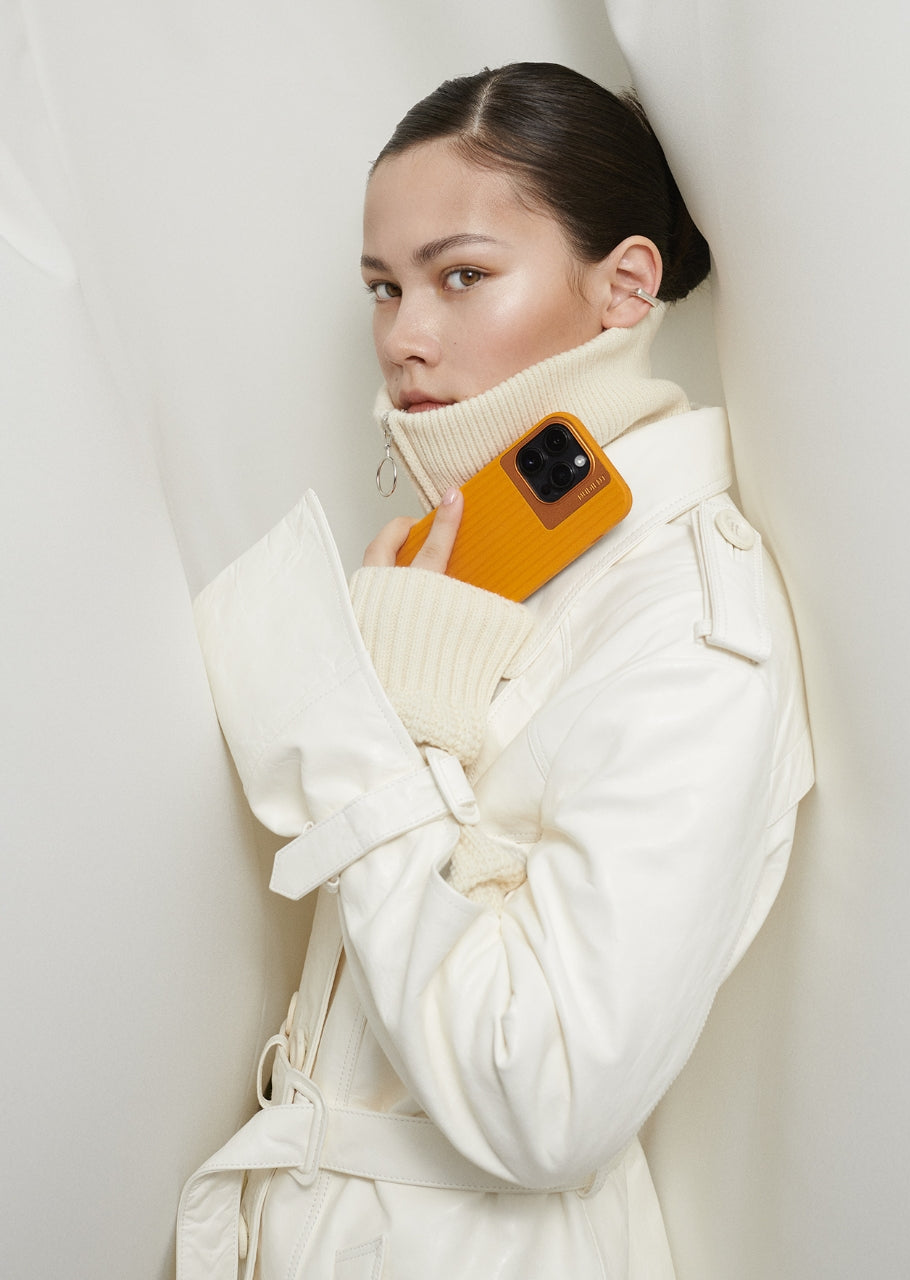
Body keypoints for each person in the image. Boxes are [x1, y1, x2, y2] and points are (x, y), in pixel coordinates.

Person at [178, 62, 812, 1280]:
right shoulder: (470, 563)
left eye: (461, 275)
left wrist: (387, 733)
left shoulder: (690, 625)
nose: (404, 339)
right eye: (384, 286)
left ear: (625, 286)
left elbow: (548, 1099)